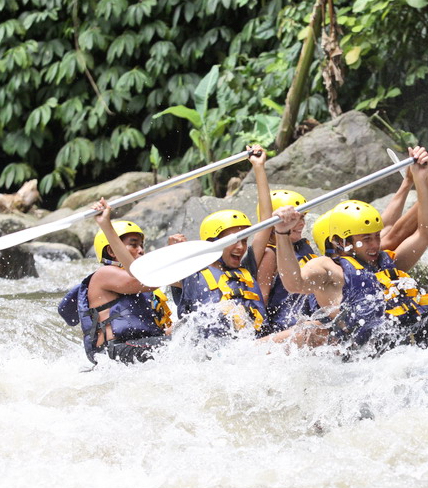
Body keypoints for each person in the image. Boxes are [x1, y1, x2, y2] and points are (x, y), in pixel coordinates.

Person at [262, 146, 428, 355]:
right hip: (391, 344)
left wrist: (421, 182)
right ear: (339, 242)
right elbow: (294, 282)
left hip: (419, 327)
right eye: (365, 239)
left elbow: (427, 233)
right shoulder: (329, 271)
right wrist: (283, 234)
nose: (374, 244)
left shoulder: (385, 263)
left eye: (375, 237)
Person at [171, 145, 273, 337]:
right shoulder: (191, 274)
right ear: (212, 243)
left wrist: (259, 168)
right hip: (214, 354)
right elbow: (140, 277)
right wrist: (174, 254)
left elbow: (266, 224)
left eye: (244, 240)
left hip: (251, 349)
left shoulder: (246, 268)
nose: (241, 247)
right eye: (233, 241)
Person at [58, 199, 172, 365]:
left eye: (141, 245)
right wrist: (106, 225)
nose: (141, 250)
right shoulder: (105, 275)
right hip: (116, 351)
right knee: (186, 345)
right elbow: (144, 279)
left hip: (139, 346)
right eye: (133, 245)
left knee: (192, 334)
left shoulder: (142, 285)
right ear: (112, 250)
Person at [256, 190, 318, 334]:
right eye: (294, 220)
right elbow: (261, 301)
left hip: (308, 318)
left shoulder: (303, 248)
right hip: (285, 328)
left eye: (303, 218)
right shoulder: (269, 255)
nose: (301, 223)